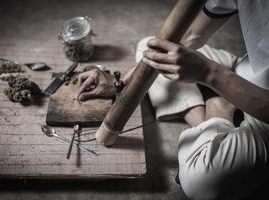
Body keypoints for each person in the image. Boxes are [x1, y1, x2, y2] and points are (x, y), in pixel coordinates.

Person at [76, 0, 269, 199]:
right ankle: (215, 114)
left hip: (264, 116)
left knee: (201, 184)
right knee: (149, 47)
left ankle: (215, 111)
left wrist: (210, 74)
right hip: (243, 71)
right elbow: (193, 35)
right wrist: (123, 81)